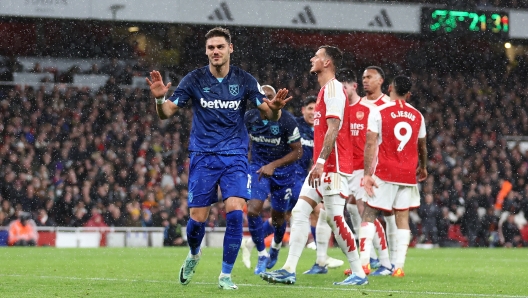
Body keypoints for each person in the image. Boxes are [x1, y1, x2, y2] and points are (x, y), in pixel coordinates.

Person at [146, 27, 291, 290]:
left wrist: (277, 111)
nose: (215, 51)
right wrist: (159, 99)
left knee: (236, 213)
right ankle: (193, 254)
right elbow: (166, 113)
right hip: (203, 156)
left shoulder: (245, 80)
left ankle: (225, 275)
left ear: (230, 49)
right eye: (211, 47)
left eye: (220, 47)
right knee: (196, 222)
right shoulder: (193, 79)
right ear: (206, 51)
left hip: (235, 156)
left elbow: (269, 115)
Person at [261, 45, 367, 286]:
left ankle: (358, 272)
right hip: (322, 166)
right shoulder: (323, 91)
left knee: (335, 219)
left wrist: (320, 162)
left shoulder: (333, 91)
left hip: (333, 165)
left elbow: (334, 129)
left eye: (317, 56)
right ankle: (289, 269)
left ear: (327, 62)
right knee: (299, 212)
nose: (312, 59)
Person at [360, 75, 428, 278]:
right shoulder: (417, 115)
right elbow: (422, 146)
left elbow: (370, 144)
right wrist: (423, 167)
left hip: (385, 171)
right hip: (407, 174)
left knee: (369, 215)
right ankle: (398, 267)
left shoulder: (378, 112)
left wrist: (366, 174)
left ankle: (363, 264)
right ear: (409, 94)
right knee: (402, 218)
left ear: (389, 88)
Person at [242, 84, 302, 274]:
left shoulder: (287, 120)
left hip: (283, 173)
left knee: (278, 218)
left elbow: (298, 151)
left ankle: (275, 247)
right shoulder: (249, 118)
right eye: (263, 97)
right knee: (253, 210)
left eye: (270, 97)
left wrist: (274, 165)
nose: (267, 101)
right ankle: (261, 254)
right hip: (258, 168)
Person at [338, 68, 391, 276]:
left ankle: (383, 262)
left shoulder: (368, 109)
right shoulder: (342, 109)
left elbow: (375, 141)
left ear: (353, 87)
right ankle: (372, 259)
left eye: (345, 87)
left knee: (365, 211)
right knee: (353, 209)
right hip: (347, 168)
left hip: (364, 168)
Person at [360, 66, 398, 266]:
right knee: (356, 208)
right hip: (360, 168)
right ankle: (377, 259)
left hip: (384, 169)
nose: (365, 80)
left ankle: (387, 259)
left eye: (370, 77)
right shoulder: (357, 105)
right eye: (363, 77)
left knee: (387, 212)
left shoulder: (389, 105)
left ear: (381, 80)